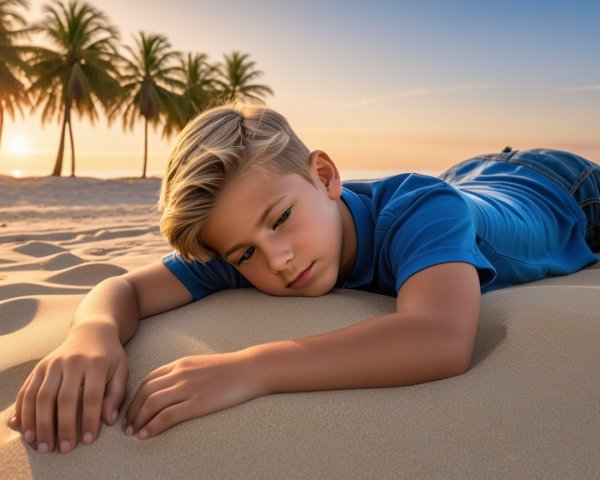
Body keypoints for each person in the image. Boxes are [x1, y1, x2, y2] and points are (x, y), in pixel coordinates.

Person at [9, 104, 600, 455]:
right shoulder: (249, 239)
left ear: (324, 175)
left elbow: (440, 338)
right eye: (245, 255)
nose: (279, 260)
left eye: (282, 220)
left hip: (561, 189)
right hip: (472, 174)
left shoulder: (423, 211)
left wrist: (250, 368)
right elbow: (128, 289)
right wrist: (91, 335)